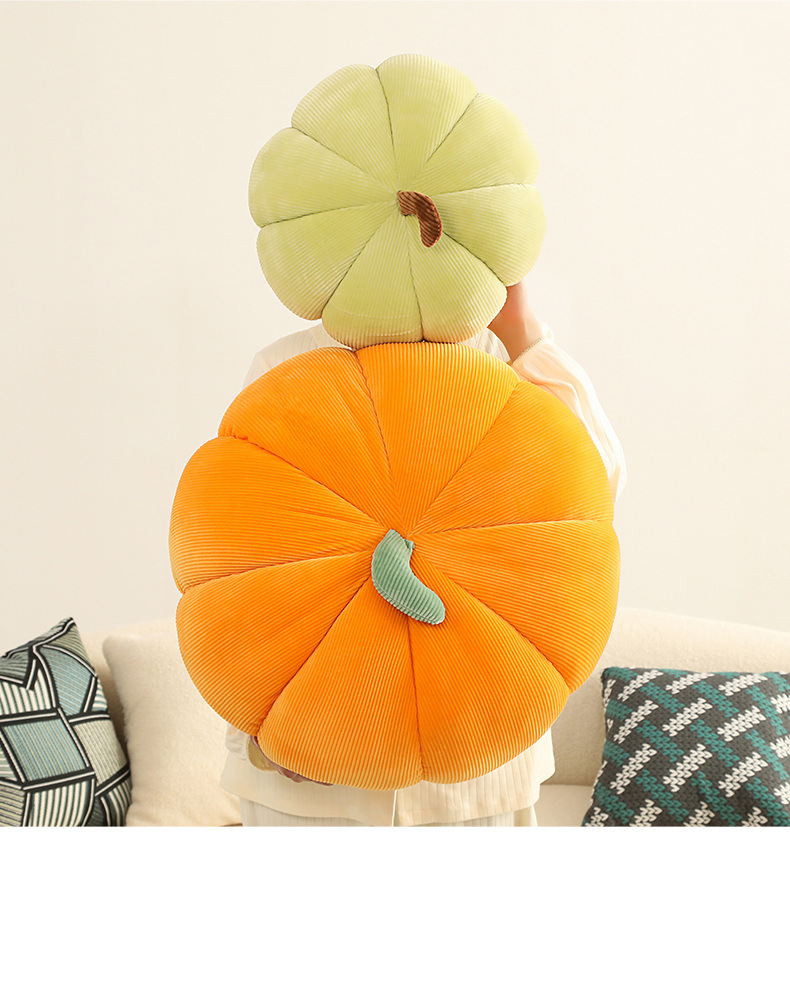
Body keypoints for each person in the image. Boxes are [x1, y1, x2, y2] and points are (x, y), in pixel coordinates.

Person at [220, 279, 627, 826]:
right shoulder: (289, 363)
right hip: (308, 778)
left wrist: (521, 332)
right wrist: (264, 725)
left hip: (476, 773)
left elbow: (593, 490)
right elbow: (242, 546)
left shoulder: (499, 358)